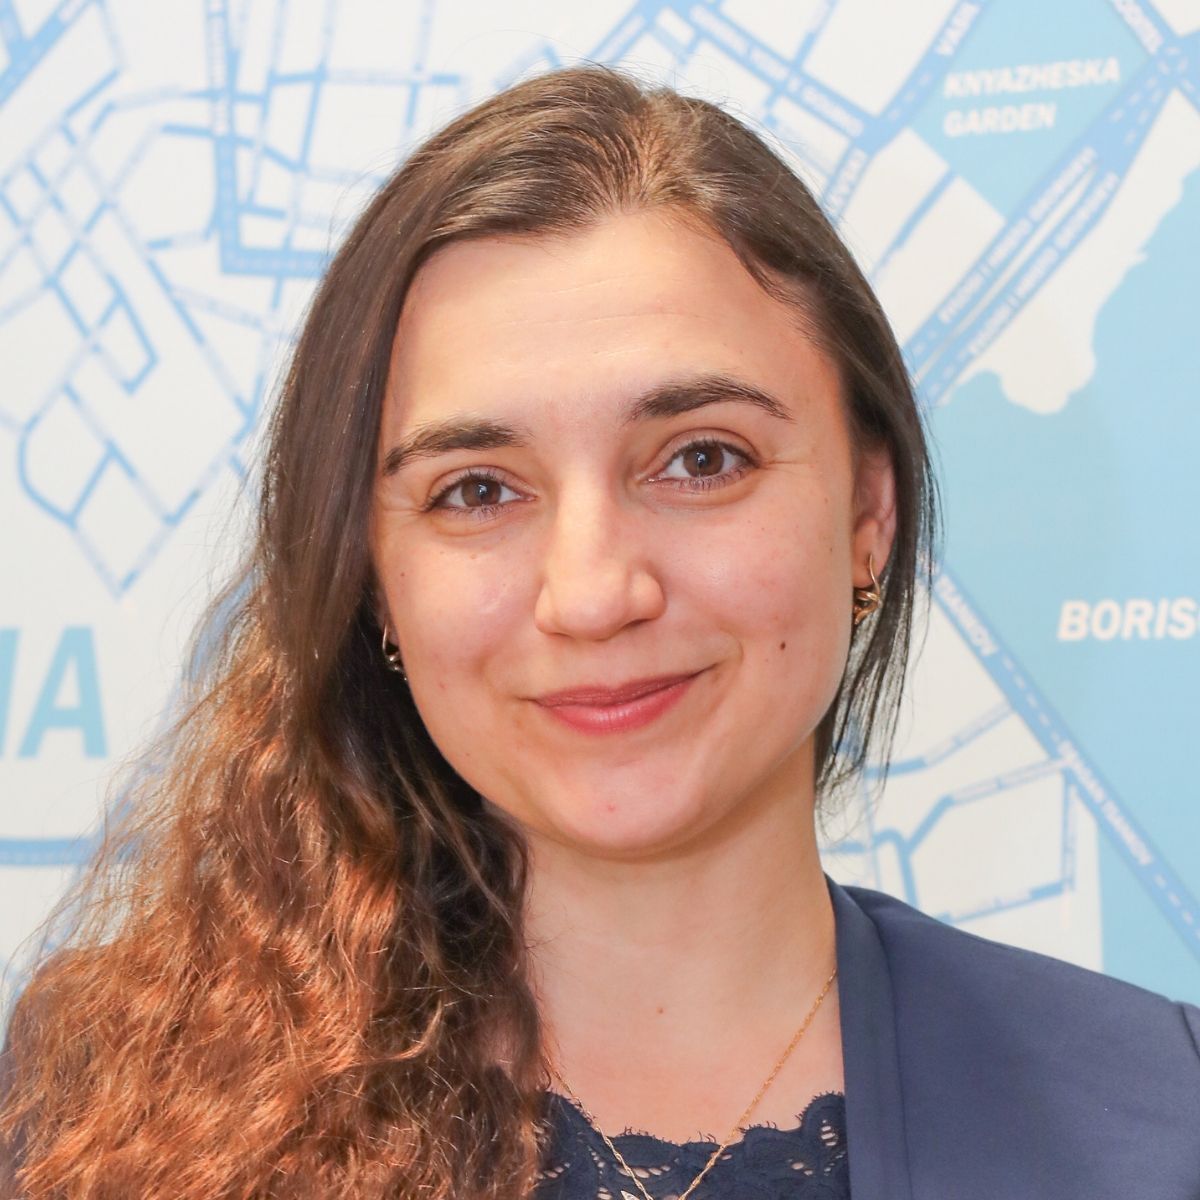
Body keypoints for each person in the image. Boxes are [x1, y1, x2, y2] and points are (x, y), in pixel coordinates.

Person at [1, 62, 1197, 1200]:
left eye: (701, 460)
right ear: (374, 584)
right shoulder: (104, 1109)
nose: (591, 592)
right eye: (477, 489)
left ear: (865, 516)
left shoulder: (1162, 1122)